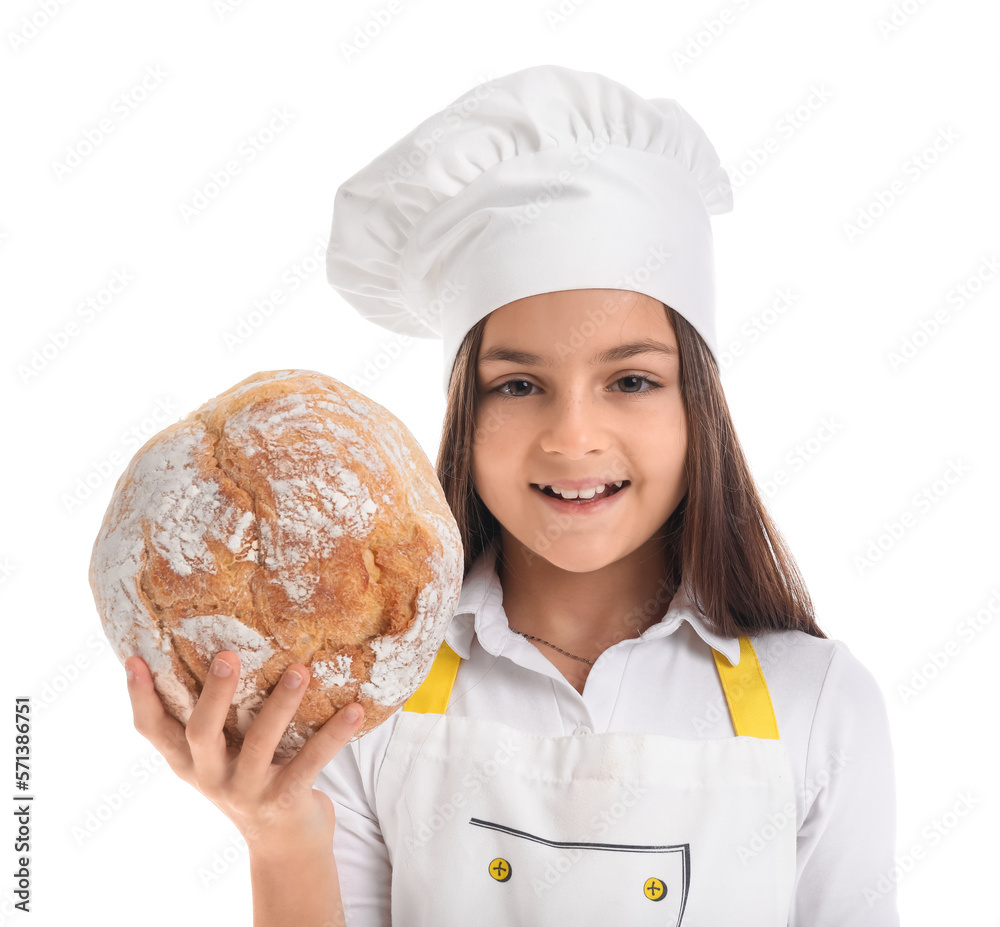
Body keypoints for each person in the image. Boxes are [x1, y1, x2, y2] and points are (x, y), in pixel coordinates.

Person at [125, 65, 899, 926]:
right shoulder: (363, 702)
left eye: (632, 380)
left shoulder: (819, 705)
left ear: (699, 407)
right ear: (467, 414)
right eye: (519, 385)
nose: (573, 436)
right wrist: (280, 838)